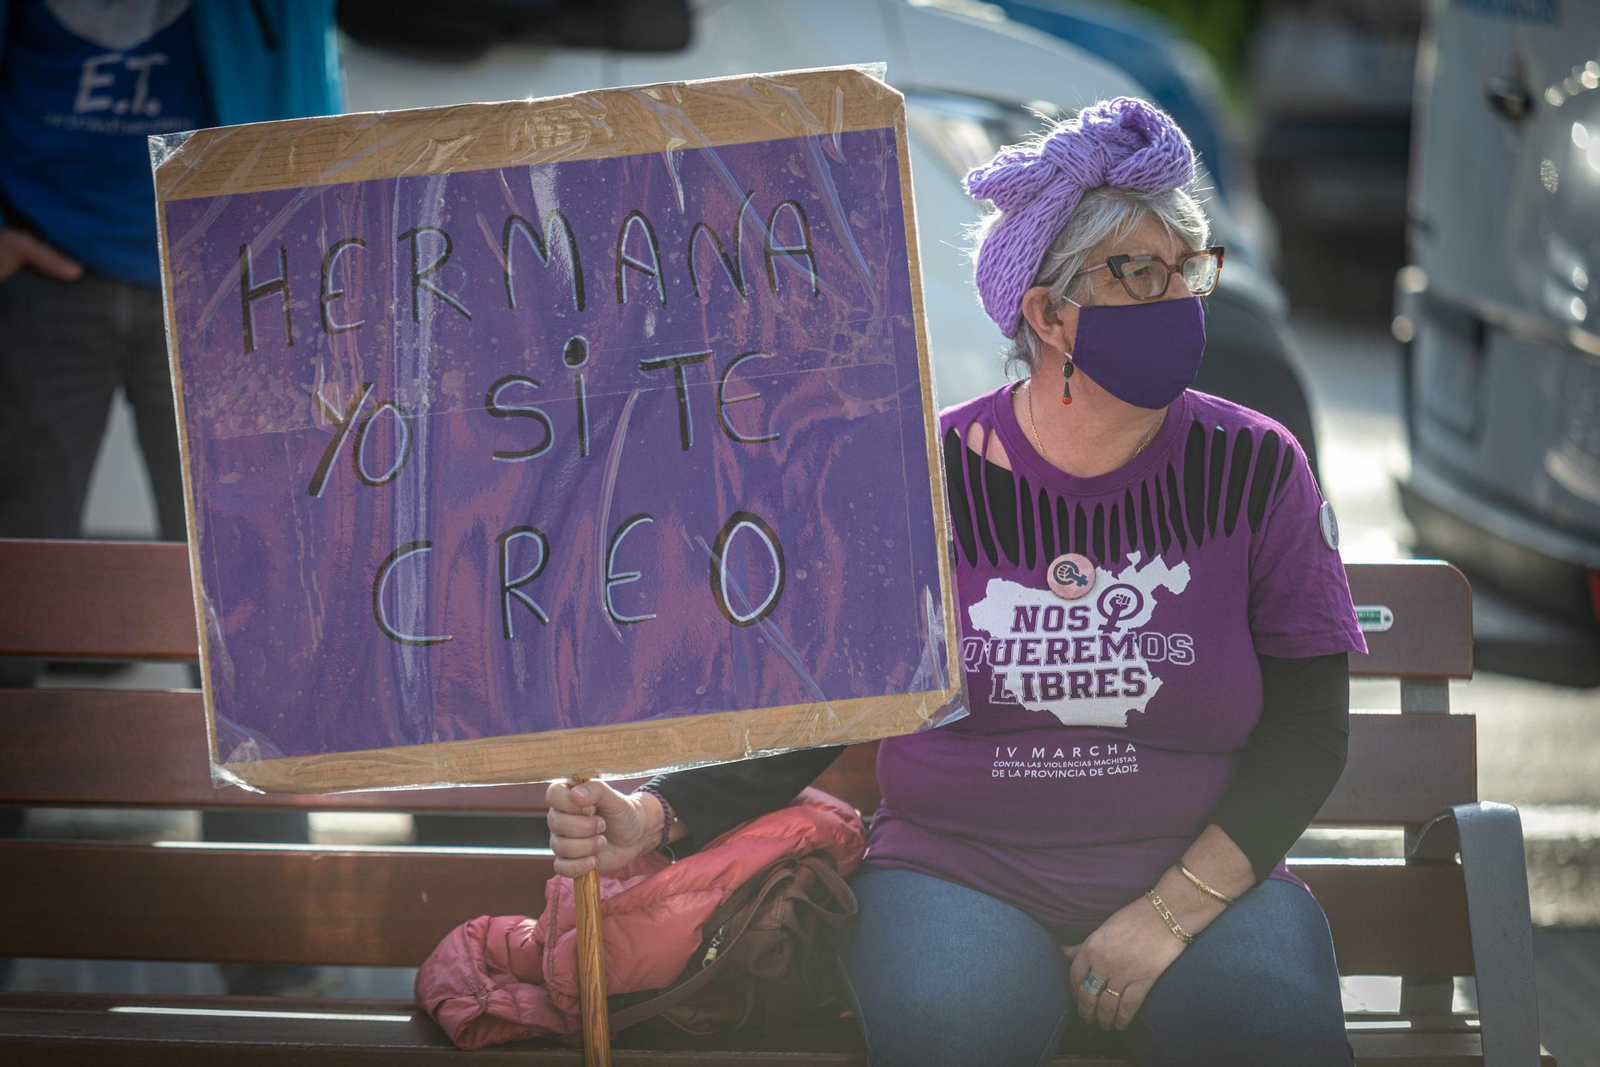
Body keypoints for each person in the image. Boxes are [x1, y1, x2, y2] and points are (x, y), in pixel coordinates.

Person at [545, 97, 1366, 1067]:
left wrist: (1168, 913)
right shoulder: (921, 473)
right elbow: (825, 699)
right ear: (1048, 313)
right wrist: (650, 813)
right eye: (1140, 274)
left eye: (1188, 270)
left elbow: (1310, 727)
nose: (1180, 300)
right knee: (950, 1028)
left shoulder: (1253, 464)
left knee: (1269, 1030)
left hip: (1201, 881)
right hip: (958, 878)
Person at [0, 0, 341, 996]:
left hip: (221, 277)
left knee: (251, 607)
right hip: (40, 277)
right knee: (20, 615)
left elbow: (307, 91)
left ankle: (269, 951)